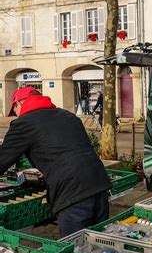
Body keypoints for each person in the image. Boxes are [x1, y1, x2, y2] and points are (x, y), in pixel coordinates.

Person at [0, 87, 111, 237]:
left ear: (18, 103)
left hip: (72, 193)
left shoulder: (24, 123)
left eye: (15, 111)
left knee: (75, 250)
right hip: (99, 184)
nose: (16, 115)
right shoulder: (68, 116)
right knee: (98, 245)